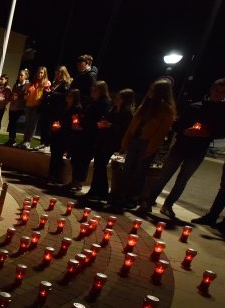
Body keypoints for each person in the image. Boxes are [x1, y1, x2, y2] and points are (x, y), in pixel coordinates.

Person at [140, 78, 225, 218]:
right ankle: (149, 202)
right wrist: (185, 130)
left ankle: (168, 206)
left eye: (222, 92)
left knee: (182, 180)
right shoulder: (195, 106)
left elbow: (222, 131)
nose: (219, 94)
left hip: (198, 151)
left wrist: (208, 133)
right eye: (217, 90)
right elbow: (177, 124)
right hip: (181, 147)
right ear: (212, 90)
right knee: (163, 176)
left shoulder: (222, 112)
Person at [113, 78, 176, 209]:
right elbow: (132, 126)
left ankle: (133, 198)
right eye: (150, 89)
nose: (150, 92)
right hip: (135, 141)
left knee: (140, 173)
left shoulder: (166, 111)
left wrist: (150, 148)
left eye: (153, 90)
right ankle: (121, 195)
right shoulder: (144, 106)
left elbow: (161, 133)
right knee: (128, 169)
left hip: (147, 144)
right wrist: (125, 141)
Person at [83, 89, 135, 202]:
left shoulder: (127, 113)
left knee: (101, 165)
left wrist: (110, 126)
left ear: (124, 100)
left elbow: (125, 130)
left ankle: (101, 192)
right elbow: (105, 118)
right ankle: (96, 191)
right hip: (103, 139)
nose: (116, 99)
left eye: (119, 98)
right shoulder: (113, 109)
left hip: (112, 143)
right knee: (98, 165)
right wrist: (102, 123)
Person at [67, 81, 111, 191]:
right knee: (76, 157)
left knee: (83, 159)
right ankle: (74, 180)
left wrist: (85, 126)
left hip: (90, 136)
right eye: (92, 89)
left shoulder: (104, 103)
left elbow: (98, 119)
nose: (92, 92)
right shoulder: (92, 101)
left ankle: (79, 182)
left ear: (101, 91)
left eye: (94, 90)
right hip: (81, 133)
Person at [48, 89, 83, 183]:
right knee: (54, 153)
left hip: (65, 133)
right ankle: (51, 174)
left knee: (58, 154)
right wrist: (54, 124)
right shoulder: (63, 105)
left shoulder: (77, 108)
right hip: (57, 132)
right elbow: (57, 116)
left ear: (75, 97)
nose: (68, 96)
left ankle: (55, 175)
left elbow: (74, 123)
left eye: (71, 95)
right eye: (68, 94)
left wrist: (61, 126)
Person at [39, 66, 72, 149]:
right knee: (43, 125)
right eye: (56, 74)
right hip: (47, 107)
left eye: (58, 74)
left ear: (63, 74)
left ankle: (47, 143)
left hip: (56, 109)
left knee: (50, 127)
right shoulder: (54, 82)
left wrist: (52, 93)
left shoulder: (66, 84)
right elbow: (50, 92)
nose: (57, 76)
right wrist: (46, 92)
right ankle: (43, 142)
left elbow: (65, 96)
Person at [21, 66, 50, 148]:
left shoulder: (46, 83)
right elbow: (26, 94)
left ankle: (28, 141)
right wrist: (27, 94)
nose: (39, 74)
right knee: (27, 124)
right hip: (29, 105)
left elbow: (45, 95)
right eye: (38, 72)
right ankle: (24, 140)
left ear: (44, 74)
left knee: (33, 124)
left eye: (41, 73)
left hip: (37, 106)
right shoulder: (32, 82)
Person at [6, 69, 29, 146]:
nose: (20, 76)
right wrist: (12, 98)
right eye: (19, 75)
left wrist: (19, 97)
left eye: (21, 75)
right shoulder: (16, 84)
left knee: (15, 123)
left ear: (25, 76)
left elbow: (25, 96)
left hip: (20, 107)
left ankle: (14, 139)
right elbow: (13, 93)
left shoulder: (27, 85)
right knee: (11, 123)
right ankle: (11, 139)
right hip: (13, 106)